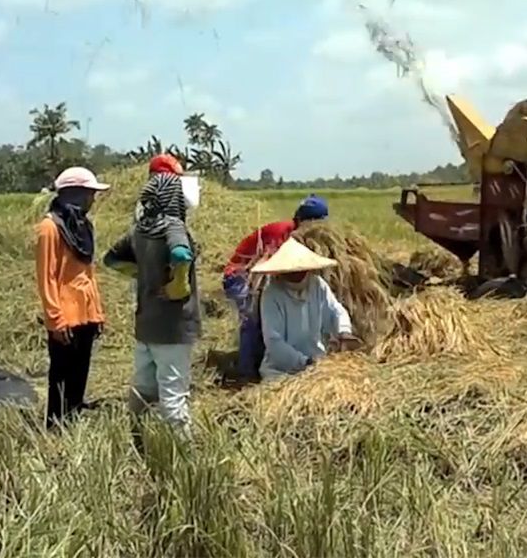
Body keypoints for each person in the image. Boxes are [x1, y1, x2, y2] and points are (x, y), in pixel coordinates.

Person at [104, 172, 202, 436]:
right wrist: (178, 284)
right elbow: (181, 253)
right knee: (173, 394)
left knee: (143, 387)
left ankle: (137, 439)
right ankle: (183, 455)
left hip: (145, 322)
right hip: (172, 326)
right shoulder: (172, 226)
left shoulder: (139, 230)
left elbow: (111, 259)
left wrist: (142, 273)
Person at [221, 195, 330, 381]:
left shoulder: (305, 239)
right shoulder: (284, 232)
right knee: (251, 317)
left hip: (261, 274)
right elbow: (266, 267)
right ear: (305, 221)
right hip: (240, 274)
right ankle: (246, 372)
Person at [35, 166, 111, 429]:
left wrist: (97, 312)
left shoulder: (83, 227)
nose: (93, 200)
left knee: (80, 374)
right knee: (61, 377)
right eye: (90, 194)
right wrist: (55, 320)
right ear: (75, 194)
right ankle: (56, 427)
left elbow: (88, 275)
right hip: (65, 316)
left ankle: (74, 421)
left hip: (86, 313)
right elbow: (47, 278)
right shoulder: (50, 228)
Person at [251, 238, 357, 381]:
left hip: (318, 364)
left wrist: (343, 331)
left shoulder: (317, 285)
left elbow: (335, 310)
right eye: (291, 271)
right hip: (282, 370)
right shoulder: (272, 294)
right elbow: (274, 341)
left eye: (300, 270)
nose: (296, 274)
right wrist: (304, 362)